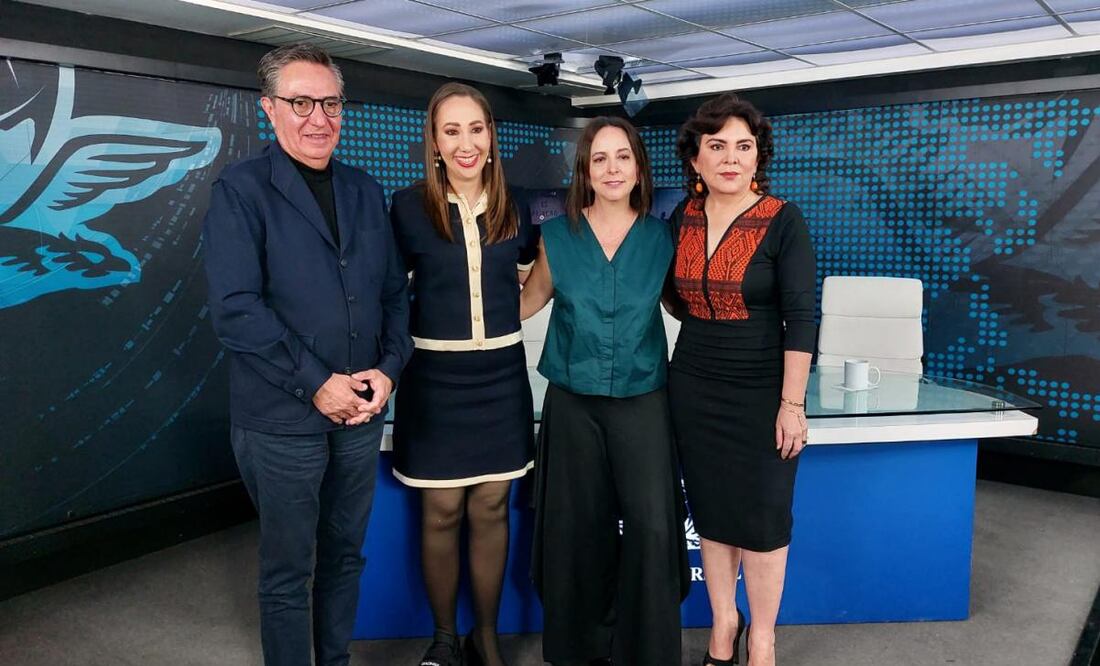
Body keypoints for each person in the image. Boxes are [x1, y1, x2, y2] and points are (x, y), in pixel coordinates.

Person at [202, 44, 412, 666]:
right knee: (289, 570)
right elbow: (236, 309)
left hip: (359, 415)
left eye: (330, 103)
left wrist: (389, 370)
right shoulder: (240, 190)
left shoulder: (365, 190)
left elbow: (394, 296)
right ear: (270, 109)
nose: (318, 118)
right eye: (301, 103)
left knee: (345, 555)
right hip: (281, 421)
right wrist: (318, 382)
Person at [523, 116, 690, 666]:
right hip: (573, 406)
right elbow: (525, 303)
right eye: (600, 158)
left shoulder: (663, 239)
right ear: (585, 170)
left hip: (644, 403)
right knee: (575, 528)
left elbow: (688, 309)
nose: (612, 168)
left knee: (652, 526)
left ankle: (646, 651)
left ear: (639, 167)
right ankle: (581, 649)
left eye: (623, 157)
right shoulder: (556, 238)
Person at [389, 82, 538, 666]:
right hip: (434, 381)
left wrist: (506, 316)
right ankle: (445, 639)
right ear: (434, 141)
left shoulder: (516, 205)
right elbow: (389, 297)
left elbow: (532, 278)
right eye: (451, 131)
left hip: (500, 378)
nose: (465, 143)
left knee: (492, 508)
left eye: (476, 129)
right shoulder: (407, 208)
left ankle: (488, 638)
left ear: (491, 136)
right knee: (442, 511)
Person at [665, 93, 817, 666]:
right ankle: (724, 624)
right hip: (693, 386)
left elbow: (802, 317)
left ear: (758, 157)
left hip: (762, 392)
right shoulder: (681, 218)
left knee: (763, 517)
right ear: (696, 158)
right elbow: (672, 297)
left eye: (743, 146)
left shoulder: (784, 220)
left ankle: (763, 639)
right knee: (712, 512)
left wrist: (792, 404)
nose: (731, 157)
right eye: (717, 145)